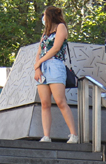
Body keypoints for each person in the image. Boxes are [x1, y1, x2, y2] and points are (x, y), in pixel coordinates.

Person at [33, 6, 78, 144]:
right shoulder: (45, 33)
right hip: (43, 67)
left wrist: (40, 61)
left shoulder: (61, 27)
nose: (43, 18)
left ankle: (73, 134)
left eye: (44, 15)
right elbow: (39, 50)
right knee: (45, 103)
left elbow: (56, 47)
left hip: (55, 64)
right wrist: (37, 67)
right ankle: (46, 135)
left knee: (60, 100)